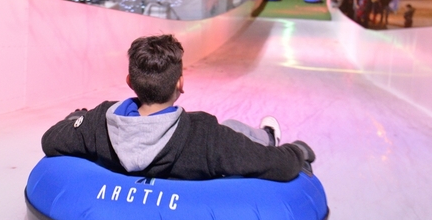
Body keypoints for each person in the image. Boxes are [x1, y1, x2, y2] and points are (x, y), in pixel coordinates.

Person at [41, 35, 316, 182]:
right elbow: (279, 166)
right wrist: (298, 151)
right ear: (180, 83)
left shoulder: (96, 123)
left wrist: (78, 117)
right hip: (222, 142)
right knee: (232, 128)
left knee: (231, 130)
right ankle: (268, 137)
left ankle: (265, 136)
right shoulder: (207, 137)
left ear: (129, 82)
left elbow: (51, 140)